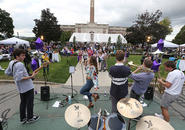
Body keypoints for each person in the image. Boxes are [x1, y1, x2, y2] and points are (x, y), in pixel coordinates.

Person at [5, 49, 40, 124]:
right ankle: (30, 118)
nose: (24, 57)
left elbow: (7, 72)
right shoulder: (20, 64)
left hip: (20, 88)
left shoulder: (11, 62)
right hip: (28, 87)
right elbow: (19, 78)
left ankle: (23, 118)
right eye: (22, 55)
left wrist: (15, 75)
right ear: (17, 56)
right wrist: (32, 76)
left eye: (24, 55)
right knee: (30, 103)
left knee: (23, 102)